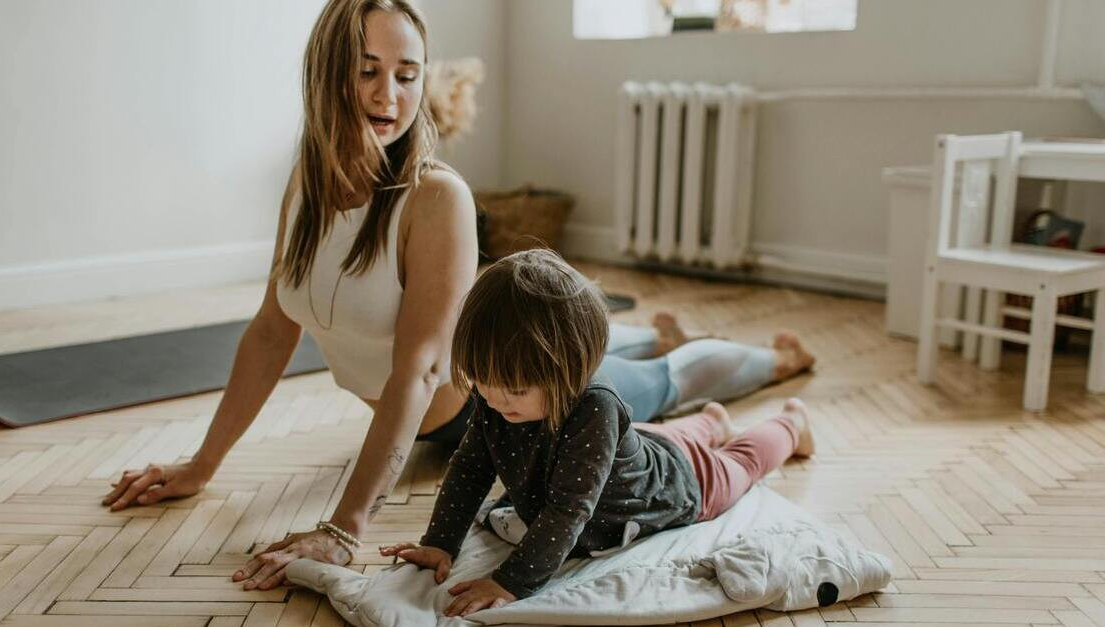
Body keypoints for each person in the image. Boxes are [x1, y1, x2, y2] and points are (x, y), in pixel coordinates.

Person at [101, 0, 815, 592]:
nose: (390, 96)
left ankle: (770, 362)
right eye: (368, 72)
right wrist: (201, 465)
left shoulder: (435, 198)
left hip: (499, 405)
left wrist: (344, 527)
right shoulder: (306, 187)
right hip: (484, 393)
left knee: (659, 382)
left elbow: (417, 372)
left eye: (408, 76)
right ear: (326, 75)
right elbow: (269, 331)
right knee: (635, 365)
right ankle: (653, 338)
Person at [380, 250, 814, 617]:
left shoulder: (595, 408)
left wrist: (510, 581)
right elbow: (471, 468)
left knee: (740, 462)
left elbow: (569, 510)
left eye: (513, 390)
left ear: (571, 371)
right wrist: (440, 542)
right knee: (664, 437)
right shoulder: (497, 396)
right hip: (640, 444)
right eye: (482, 382)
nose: (493, 400)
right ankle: (713, 421)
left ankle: (791, 424)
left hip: (680, 482)